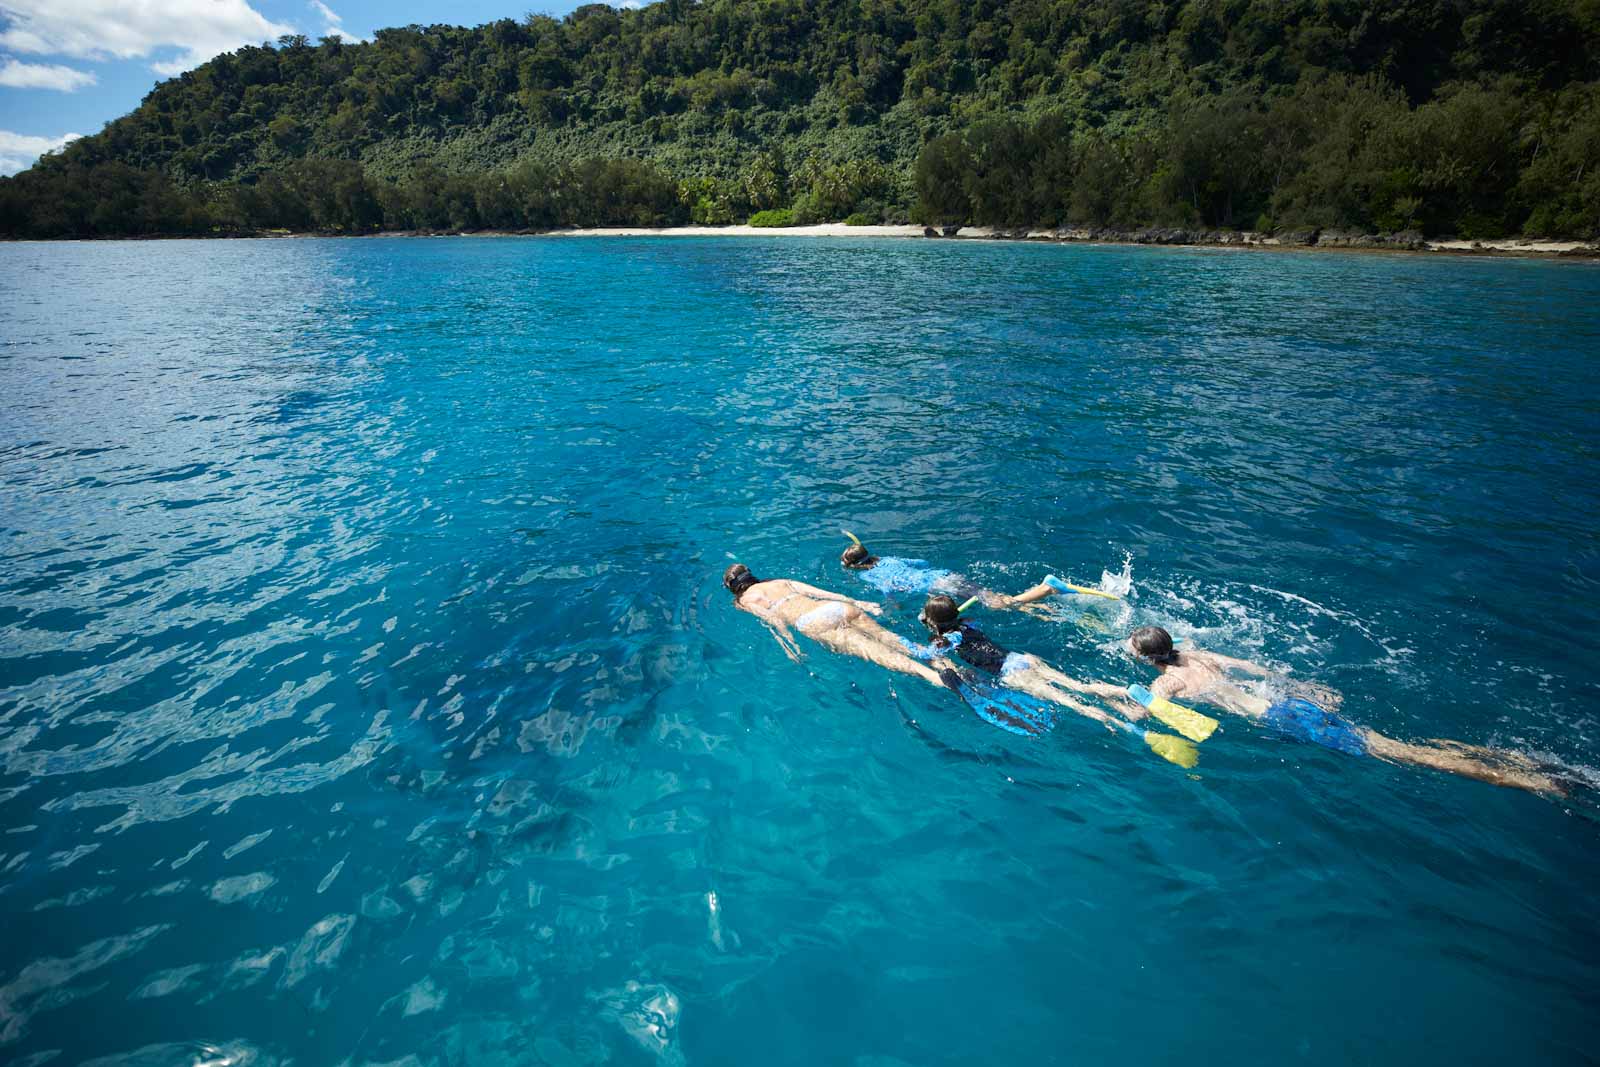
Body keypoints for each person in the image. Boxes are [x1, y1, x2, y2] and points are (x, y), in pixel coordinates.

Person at [1123, 625, 1565, 796]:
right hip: (1289, 701)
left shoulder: (1168, 681)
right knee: (1394, 743)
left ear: (1149, 659)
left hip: (1279, 721)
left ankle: (1529, 780)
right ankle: (1516, 761)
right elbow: (1253, 666)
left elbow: (1147, 713)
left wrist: (1116, 700)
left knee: (1397, 753)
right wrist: (1305, 688)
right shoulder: (1196, 654)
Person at [723, 563, 952, 689]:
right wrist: (859, 603)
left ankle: (935, 678)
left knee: (881, 654)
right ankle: (941, 662)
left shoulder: (746, 601)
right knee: (889, 637)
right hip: (835, 607)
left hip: (813, 623)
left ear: (733, 588)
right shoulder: (780, 582)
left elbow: (774, 622)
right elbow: (822, 593)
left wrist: (790, 646)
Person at [839, 532, 1112, 608]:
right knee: (991, 596)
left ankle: (1047, 588)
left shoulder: (870, 575)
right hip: (944, 577)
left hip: (940, 587)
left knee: (997, 604)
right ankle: (1043, 604)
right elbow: (921, 564)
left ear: (857, 566)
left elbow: (890, 594)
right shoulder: (888, 559)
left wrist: (892, 607)